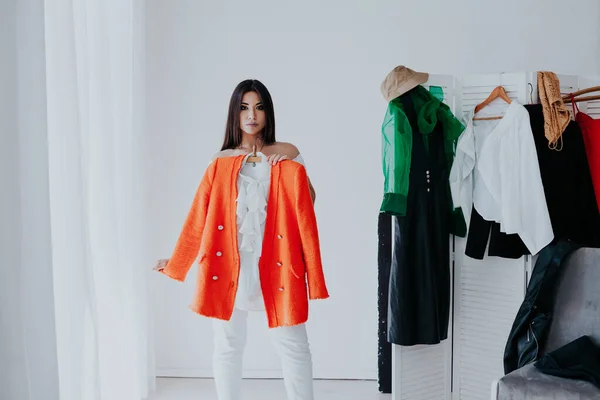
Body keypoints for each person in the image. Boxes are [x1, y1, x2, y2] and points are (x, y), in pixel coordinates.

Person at [154, 79, 327, 400]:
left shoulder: (288, 153)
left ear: (268, 112)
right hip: (231, 265)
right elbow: (198, 218)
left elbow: (308, 205)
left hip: (279, 263)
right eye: (244, 107)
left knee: (294, 346)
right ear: (234, 113)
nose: (252, 115)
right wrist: (177, 261)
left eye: (259, 107)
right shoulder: (220, 161)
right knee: (228, 345)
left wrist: (285, 171)